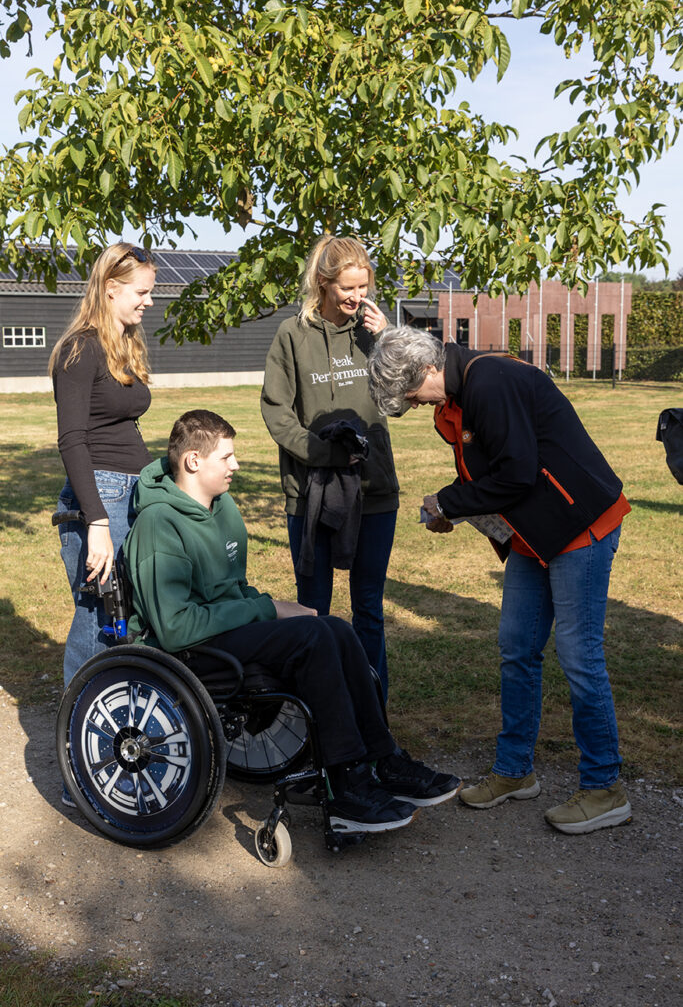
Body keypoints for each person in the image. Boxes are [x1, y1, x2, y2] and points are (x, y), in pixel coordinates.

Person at [122, 409, 461, 834]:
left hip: (224, 630)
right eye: (226, 457)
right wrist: (268, 609)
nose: (235, 465)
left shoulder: (221, 508)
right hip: (189, 650)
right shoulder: (158, 524)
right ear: (193, 461)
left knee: (336, 628)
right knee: (312, 637)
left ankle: (382, 759)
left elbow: (233, 589)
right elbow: (175, 628)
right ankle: (346, 787)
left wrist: (267, 605)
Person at [367, 327, 633, 836]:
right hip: (536, 535)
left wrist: (449, 503)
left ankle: (605, 788)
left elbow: (516, 473)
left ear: (428, 369)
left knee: (579, 656)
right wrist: (453, 507)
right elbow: (487, 473)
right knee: (516, 648)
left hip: (580, 526)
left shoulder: (489, 381)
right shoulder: (459, 396)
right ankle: (515, 771)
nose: (413, 405)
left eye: (410, 395)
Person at [261, 236, 399, 700]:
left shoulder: (372, 332)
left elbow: (402, 400)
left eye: (363, 287)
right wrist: (324, 453)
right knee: (313, 611)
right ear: (323, 283)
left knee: (369, 610)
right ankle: (318, 710)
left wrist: (387, 341)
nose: (358, 297)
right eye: (347, 288)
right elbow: (277, 412)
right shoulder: (291, 335)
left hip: (373, 490)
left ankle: (372, 710)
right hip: (311, 493)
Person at [50, 242, 156, 688]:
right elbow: (72, 440)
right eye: (141, 292)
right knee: (98, 613)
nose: (149, 302)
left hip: (132, 492)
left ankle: (114, 710)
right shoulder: (80, 350)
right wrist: (96, 521)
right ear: (111, 288)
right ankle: (78, 721)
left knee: (128, 613)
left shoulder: (123, 346)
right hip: (100, 495)